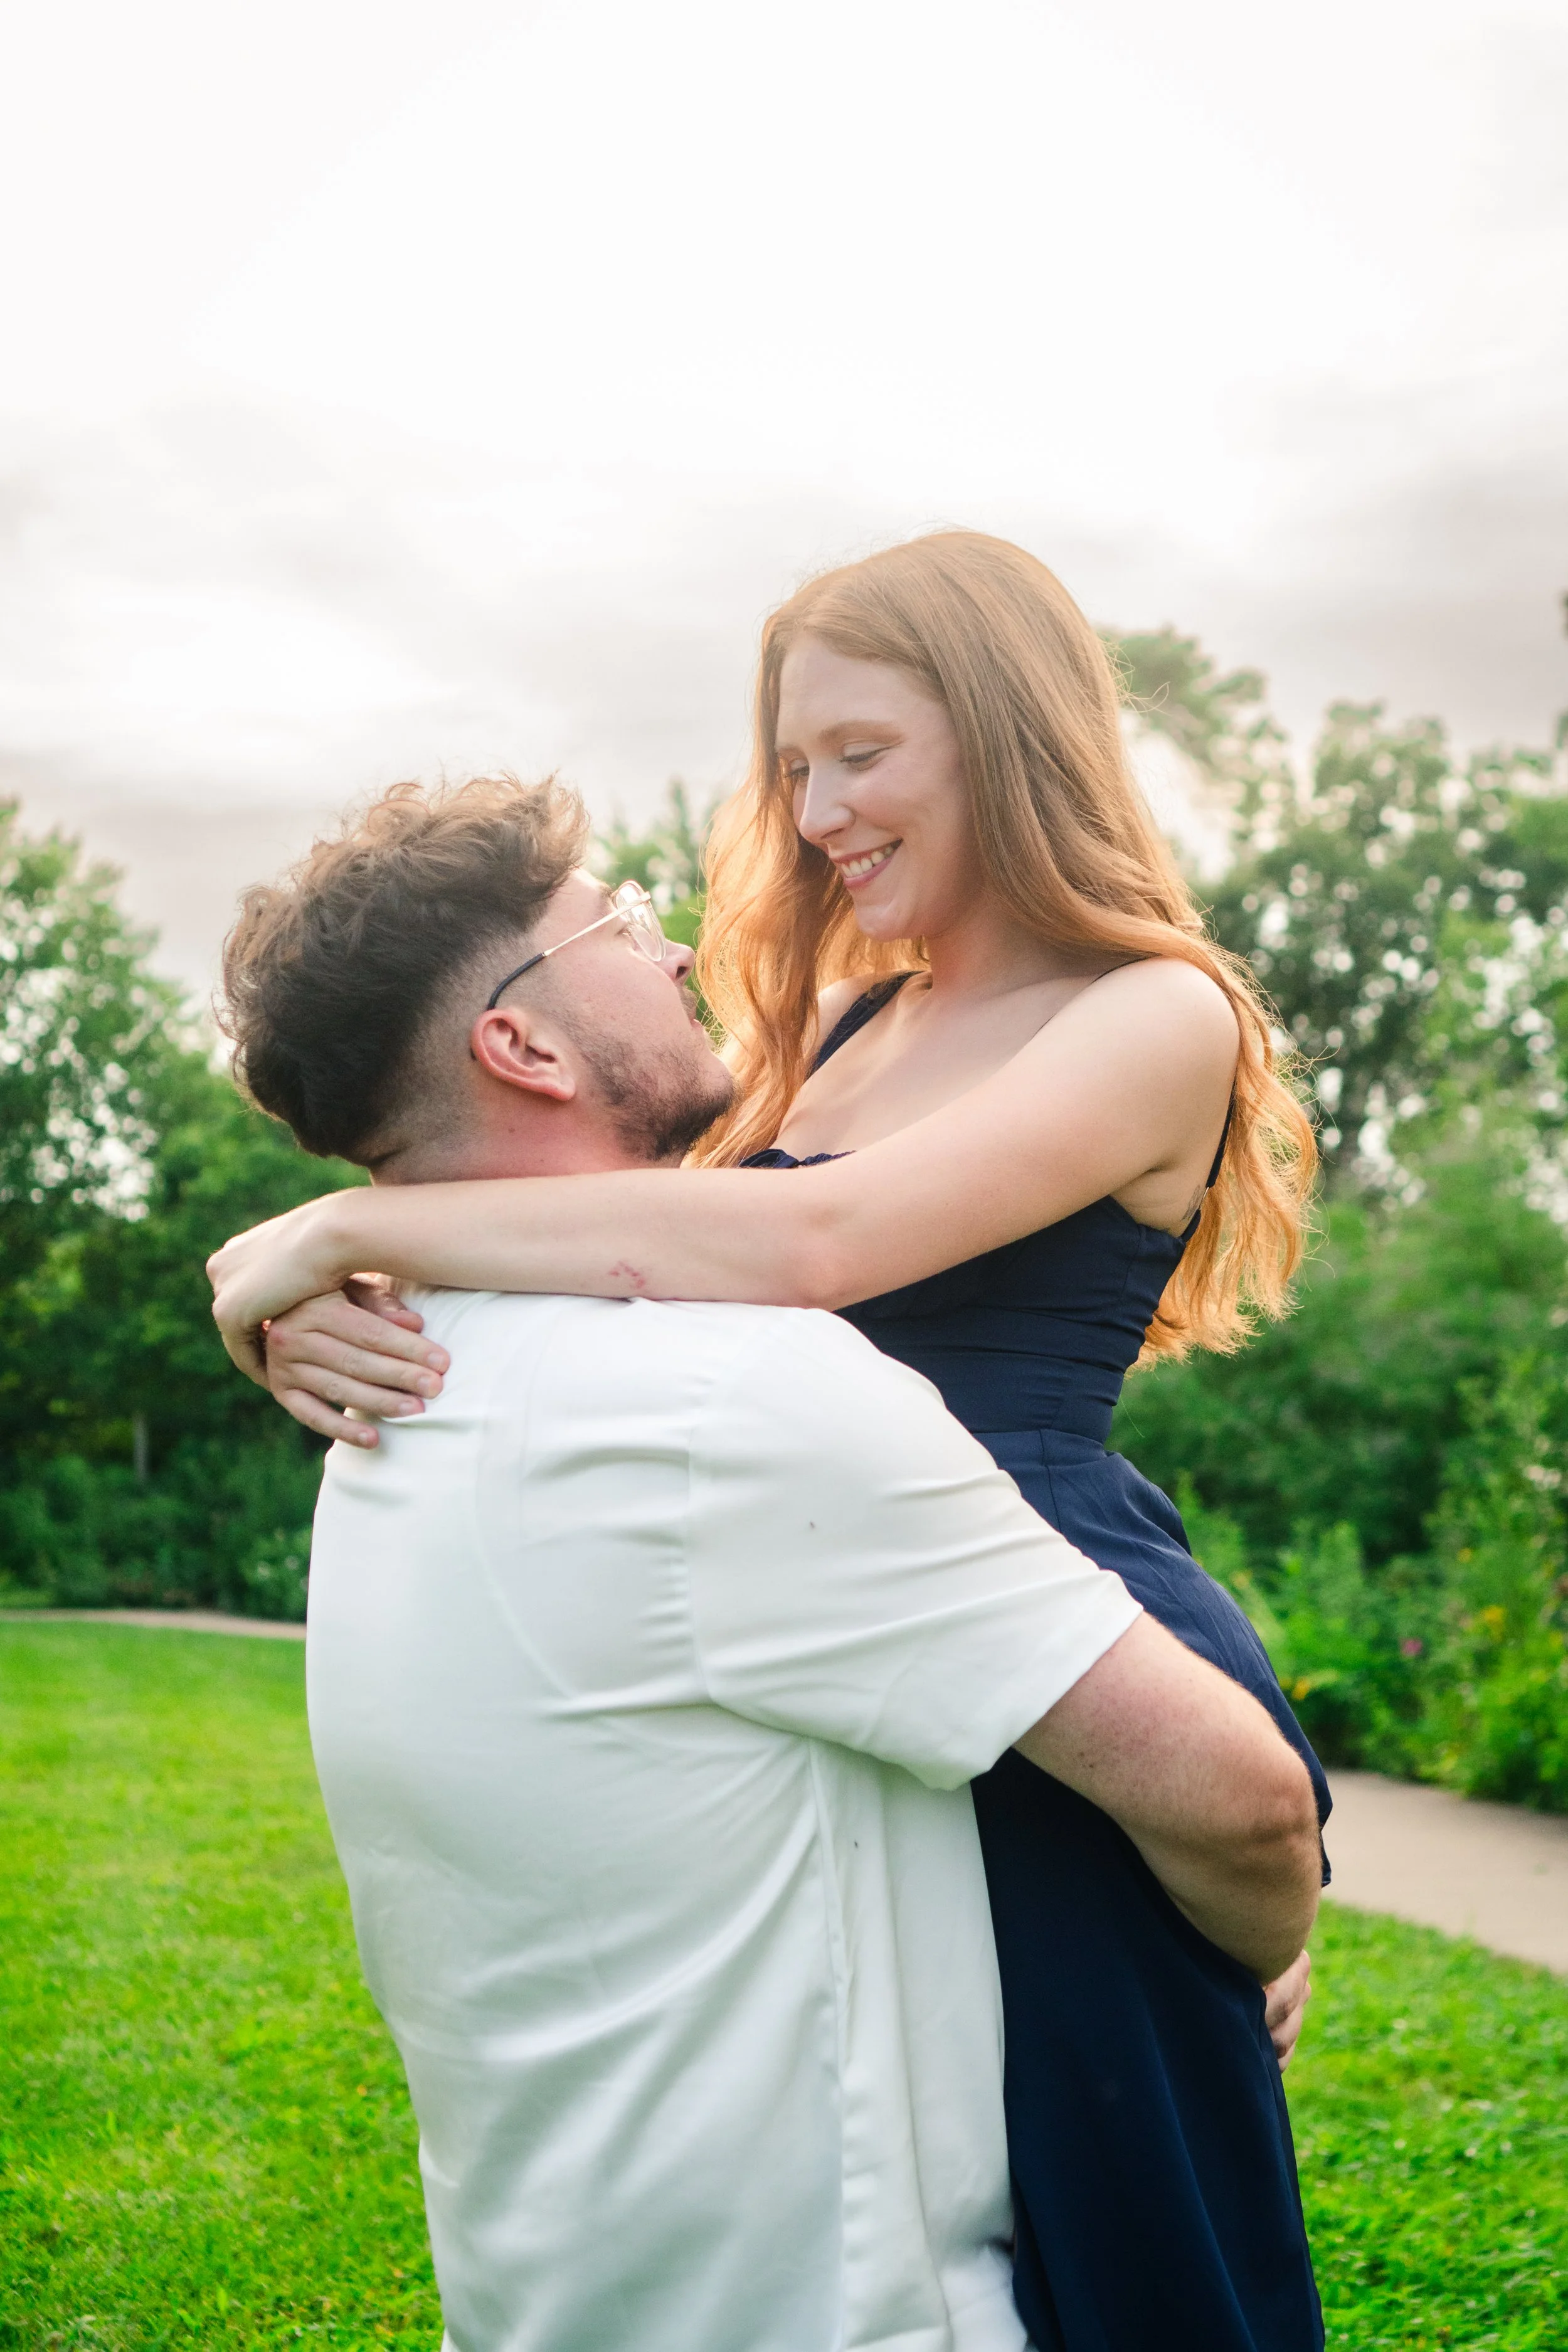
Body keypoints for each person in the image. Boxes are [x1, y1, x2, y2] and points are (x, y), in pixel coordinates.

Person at [210, 532, 1327, 2351]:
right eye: (791, 764)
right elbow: (620, 1224)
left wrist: (341, 1234)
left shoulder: (1154, 1014)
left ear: (1002, 726)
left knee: (1125, 2222)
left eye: (858, 752)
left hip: (1037, 1597)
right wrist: (282, 1281)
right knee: (957, 2159)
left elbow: (809, 1250)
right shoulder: (846, 1020)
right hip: (857, 1601)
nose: (811, 810)